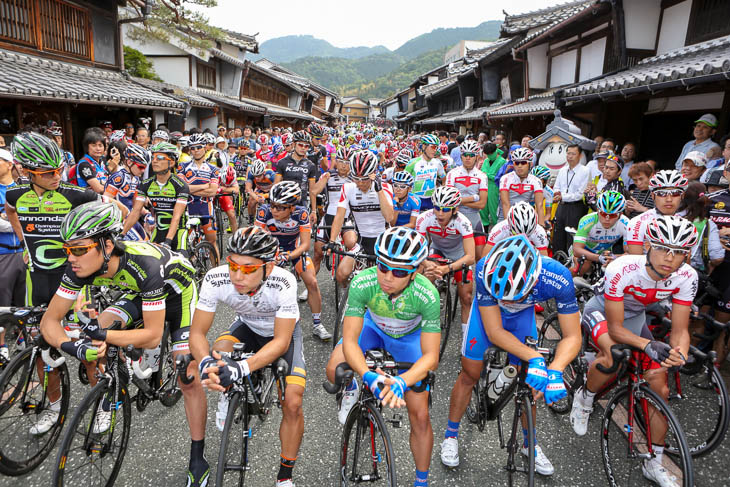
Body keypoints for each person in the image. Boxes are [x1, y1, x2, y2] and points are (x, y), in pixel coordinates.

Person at [39, 201, 208, 487]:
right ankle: (115, 382)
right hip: (139, 293)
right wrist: (74, 347)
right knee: (97, 329)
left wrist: (101, 337)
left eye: (79, 249)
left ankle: (198, 457)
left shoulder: (145, 265)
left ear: (106, 245)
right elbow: (49, 322)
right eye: (67, 249)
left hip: (178, 295)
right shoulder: (80, 268)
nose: (71, 258)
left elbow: (154, 335)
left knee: (187, 376)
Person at [570, 215, 697, 487]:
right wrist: (648, 345)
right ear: (649, 245)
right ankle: (585, 397)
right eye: (663, 248)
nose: (669, 258)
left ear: (687, 256)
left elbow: (680, 330)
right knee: (613, 355)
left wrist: (679, 353)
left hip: (636, 319)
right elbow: (615, 329)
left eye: (679, 253)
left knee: (659, 389)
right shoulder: (624, 268)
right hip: (603, 312)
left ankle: (654, 463)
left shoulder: (687, 276)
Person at [440, 235, 580, 476]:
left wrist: (555, 369)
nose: (507, 300)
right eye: (502, 294)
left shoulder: (556, 277)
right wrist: (534, 357)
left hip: (521, 319)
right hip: (489, 318)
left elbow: (573, 336)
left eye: (513, 294)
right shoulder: (484, 267)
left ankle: (530, 443)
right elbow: (494, 331)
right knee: (469, 374)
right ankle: (450, 435)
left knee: (529, 384)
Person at [325, 227, 440, 487]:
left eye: (399, 272)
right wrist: (365, 374)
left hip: (408, 339)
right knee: (334, 368)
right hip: (373, 328)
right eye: (382, 267)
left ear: (414, 272)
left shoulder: (427, 294)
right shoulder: (363, 281)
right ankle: (354, 388)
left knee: (420, 416)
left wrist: (402, 381)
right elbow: (351, 340)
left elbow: (431, 356)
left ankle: (421, 481)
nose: (387, 277)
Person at [190, 227, 305, 487]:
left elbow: (280, 341)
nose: (238, 276)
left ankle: (285, 476)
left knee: (294, 402)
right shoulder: (215, 278)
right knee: (219, 350)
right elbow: (196, 333)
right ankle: (227, 390)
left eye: (249, 269)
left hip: (281, 333)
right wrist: (207, 362)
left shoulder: (284, 281)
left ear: (269, 266)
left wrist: (241, 368)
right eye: (233, 265)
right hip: (247, 326)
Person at [256, 181, 329, 341]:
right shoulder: (264, 211)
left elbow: (305, 245)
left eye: (280, 207)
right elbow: (257, 239)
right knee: (259, 282)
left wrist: (287, 256)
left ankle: (317, 324)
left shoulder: (301, 214)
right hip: (270, 248)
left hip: (293, 249)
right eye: (273, 205)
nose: (274, 210)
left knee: (312, 282)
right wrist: (271, 256)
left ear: (292, 207)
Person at [328, 150, 395, 287]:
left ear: (372, 175)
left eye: (364, 179)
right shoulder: (348, 188)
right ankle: (353, 296)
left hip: (383, 243)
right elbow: (339, 216)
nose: (360, 183)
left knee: (388, 282)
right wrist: (332, 240)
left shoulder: (386, 187)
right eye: (356, 179)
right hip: (362, 242)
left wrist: (379, 191)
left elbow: (389, 217)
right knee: (341, 274)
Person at [417, 185, 475, 332]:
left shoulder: (463, 222)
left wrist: (447, 268)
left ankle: (466, 339)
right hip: (437, 252)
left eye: (446, 209)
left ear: (455, 210)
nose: (440, 213)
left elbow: (470, 257)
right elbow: (418, 249)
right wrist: (427, 263)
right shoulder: (424, 218)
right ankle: (418, 322)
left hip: (460, 257)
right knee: (423, 279)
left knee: (466, 297)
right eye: (437, 208)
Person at [123, 142, 189, 251]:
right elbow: (135, 212)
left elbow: (176, 217)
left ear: (171, 162)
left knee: (182, 263)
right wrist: (121, 234)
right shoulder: (145, 184)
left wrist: (168, 242)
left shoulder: (181, 186)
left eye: (159, 157)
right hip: (159, 231)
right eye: (153, 157)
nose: (154, 160)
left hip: (178, 231)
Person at [314, 146, 358, 272]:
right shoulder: (328, 175)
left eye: (347, 163)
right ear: (336, 162)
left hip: (347, 218)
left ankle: (353, 269)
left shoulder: (355, 179)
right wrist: (325, 178)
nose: (344, 166)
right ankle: (311, 285)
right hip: (329, 216)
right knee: (317, 253)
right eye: (341, 162)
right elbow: (314, 191)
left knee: (351, 244)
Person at [0, 148, 24, 359]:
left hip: (24, 253)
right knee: (2, 302)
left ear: (9, 164)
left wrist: (7, 218)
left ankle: (23, 339)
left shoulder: (22, 189)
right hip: (3, 253)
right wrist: (13, 221)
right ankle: (2, 347)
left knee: (24, 300)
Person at [627, 170, 687, 255]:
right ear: (652, 196)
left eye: (675, 193)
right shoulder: (637, 223)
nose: (669, 199)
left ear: (682, 196)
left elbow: (685, 261)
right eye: (662, 193)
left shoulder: (685, 224)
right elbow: (636, 261)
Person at [179, 133, 220, 256]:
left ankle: (216, 271)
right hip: (188, 209)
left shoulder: (213, 169)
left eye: (198, 147)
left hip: (206, 210)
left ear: (205, 148)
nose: (195, 151)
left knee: (212, 242)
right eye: (192, 148)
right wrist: (204, 186)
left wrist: (189, 188)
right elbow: (181, 188)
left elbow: (212, 191)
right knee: (188, 245)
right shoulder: (182, 167)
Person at [445, 139, 487, 257]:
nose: (468, 158)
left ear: (476, 157)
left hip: (474, 218)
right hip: (455, 218)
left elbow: (482, 204)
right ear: (461, 156)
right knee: (453, 256)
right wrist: (473, 198)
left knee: (480, 257)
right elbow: (447, 201)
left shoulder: (482, 176)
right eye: (465, 155)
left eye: (471, 155)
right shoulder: (452, 174)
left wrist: (458, 202)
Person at [571, 191, 629, 276]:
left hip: (606, 254)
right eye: (603, 214)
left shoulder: (626, 224)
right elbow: (577, 250)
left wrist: (615, 257)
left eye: (612, 216)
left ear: (620, 214)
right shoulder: (587, 220)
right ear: (598, 210)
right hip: (585, 251)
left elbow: (629, 253)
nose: (607, 219)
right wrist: (598, 258)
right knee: (584, 265)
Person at [104, 143, 149, 241]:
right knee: (141, 247)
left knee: (148, 244)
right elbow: (105, 200)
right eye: (141, 167)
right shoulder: (118, 177)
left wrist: (147, 214)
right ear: (129, 162)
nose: (143, 171)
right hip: (119, 221)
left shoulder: (136, 179)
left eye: (145, 168)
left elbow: (136, 204)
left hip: (132, 220)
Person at [552, 144, 590, 254]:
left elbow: (580, 194)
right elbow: (556, 186)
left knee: (571, 238)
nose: (570, 156)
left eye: (573, 154)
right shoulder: (562, 170)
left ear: (580, 155)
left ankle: (571, 264)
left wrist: (562, 196)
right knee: (558, 236)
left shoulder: (585, 171)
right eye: (568, 153)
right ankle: (557, 260)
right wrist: (557, 193)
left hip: (576, 207)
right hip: (561, 206)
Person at [274, 131, 318, 224]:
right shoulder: (282, 162)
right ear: (294, 144)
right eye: (300, 145)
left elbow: (312, 190)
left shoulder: (311, 165)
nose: (303, 148)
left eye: (306, 146)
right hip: (284, 202)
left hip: (302, 203)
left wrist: (314, 211)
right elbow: (276, 185)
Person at [498, 147, 544, 225]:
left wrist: (542, 226)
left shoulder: (536, 181)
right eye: (516, 163)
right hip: (505, 217)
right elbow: (506, 204)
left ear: (530, 164)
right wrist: (509, 225)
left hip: (525, 218)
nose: (519, 166)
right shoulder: (505, 178)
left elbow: (539, 205)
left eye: (523, 163)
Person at [405, 134, 446, 212]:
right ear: (424, 147)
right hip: (415, 199)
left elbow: (444, 179)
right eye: (433, 147)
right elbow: (404, 182)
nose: (435, 150)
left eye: (437, 147)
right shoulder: (413, 163)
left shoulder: (437, 162)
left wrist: (440, 193)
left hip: (431, 200)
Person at [479, 142, 508, 229]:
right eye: (487, 154)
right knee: (483, 210)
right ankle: (485, 230)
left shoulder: (502, 162)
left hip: (495, 188)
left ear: (495, 151)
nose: (489, 156)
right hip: (484, 187)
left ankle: (497, 230)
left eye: (491, 154)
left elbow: (500, 177)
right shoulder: (486, 161)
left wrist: (487, 175)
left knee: (494, 210)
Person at [244, 159, 275, 223]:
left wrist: (265, 196)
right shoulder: (251, 174)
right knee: (251, 202)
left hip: (271, 191)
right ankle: (251, 219)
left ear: (263, 173)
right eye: (255, 176)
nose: (257, 178)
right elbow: (248, 188)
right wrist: (256, 198)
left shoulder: (271, 175)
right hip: (260, 189)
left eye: (259, 176)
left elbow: (277, 188)